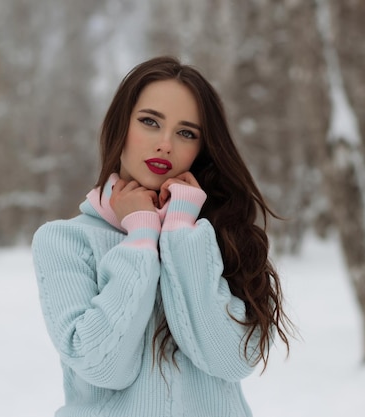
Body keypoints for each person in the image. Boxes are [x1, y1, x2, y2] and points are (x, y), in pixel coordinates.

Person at [32, 56, 292, 417]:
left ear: (201, 149)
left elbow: (232, 360)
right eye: (150, 122)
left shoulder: (216, 233)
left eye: (186, 133)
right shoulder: (65, 241)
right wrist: (140, 238)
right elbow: (101, 366)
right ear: (119, 127)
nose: (165, 144)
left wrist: (181, 232)